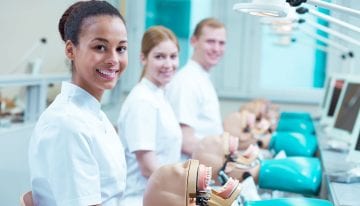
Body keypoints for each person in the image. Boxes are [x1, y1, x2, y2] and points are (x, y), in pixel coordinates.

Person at [28, 1, 128, 205]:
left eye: (121, 48)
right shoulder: (68, 124)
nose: (113, 59)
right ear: (70, 50)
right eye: (100, 47)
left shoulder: (94, 115)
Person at [117, 25, 182, 205]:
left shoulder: (159, 95)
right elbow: (147, 167)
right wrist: (189, 185)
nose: (168, 64)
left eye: (173, 56)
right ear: (143, 58)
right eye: (159, 57)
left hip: (161, 196)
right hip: (141, 199)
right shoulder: (142, 101)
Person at [166, 18, 227, 158]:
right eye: (210, 41)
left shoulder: (201, 77)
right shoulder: (187, 81)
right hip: (190, 174)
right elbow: (185, 141)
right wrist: (226, 155)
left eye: (221, 43)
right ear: (194, 41)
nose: (216, 48)